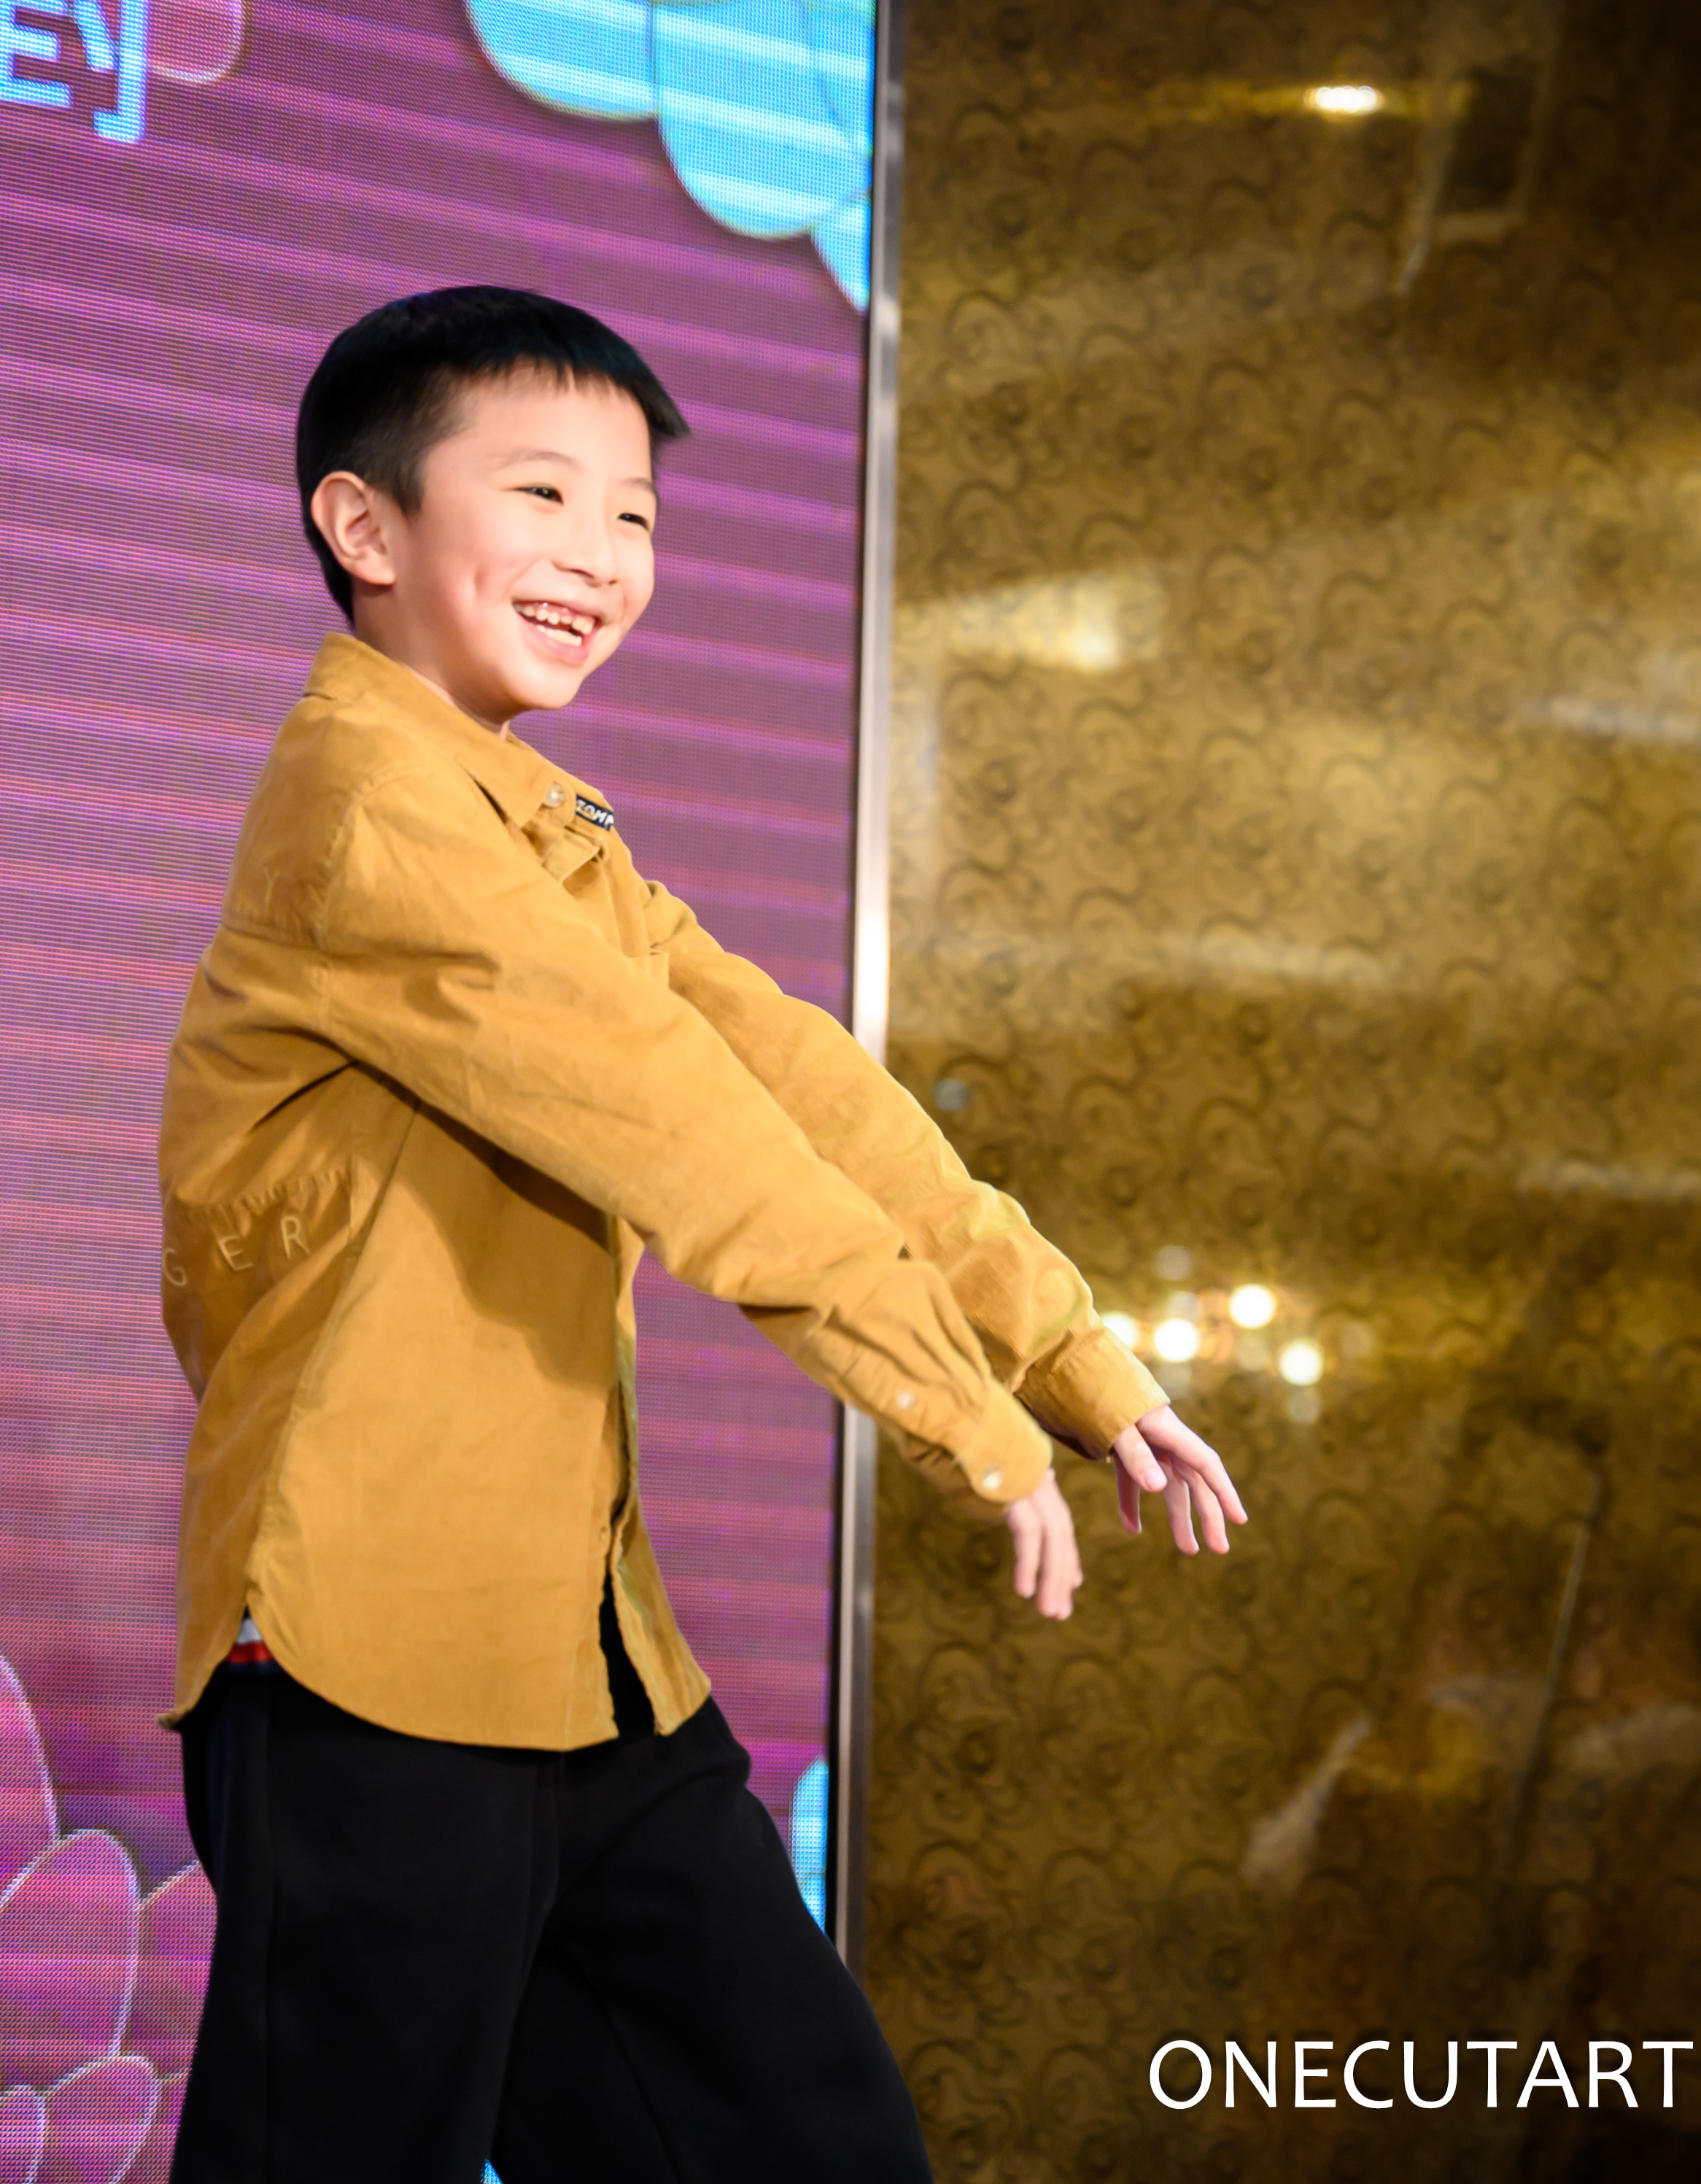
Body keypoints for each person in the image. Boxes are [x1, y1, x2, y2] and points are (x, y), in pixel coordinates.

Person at [155, 285, 1244, 2182]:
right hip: (364, 1666)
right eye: (544, 495)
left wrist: (1068, 1359)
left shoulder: (548, 833)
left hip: (588, 1671)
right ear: (364, 524)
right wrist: (957, 1414)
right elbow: (686, 1133)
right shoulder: (371, 814)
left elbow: (804, 1089)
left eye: (636, 513)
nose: (602, 555)